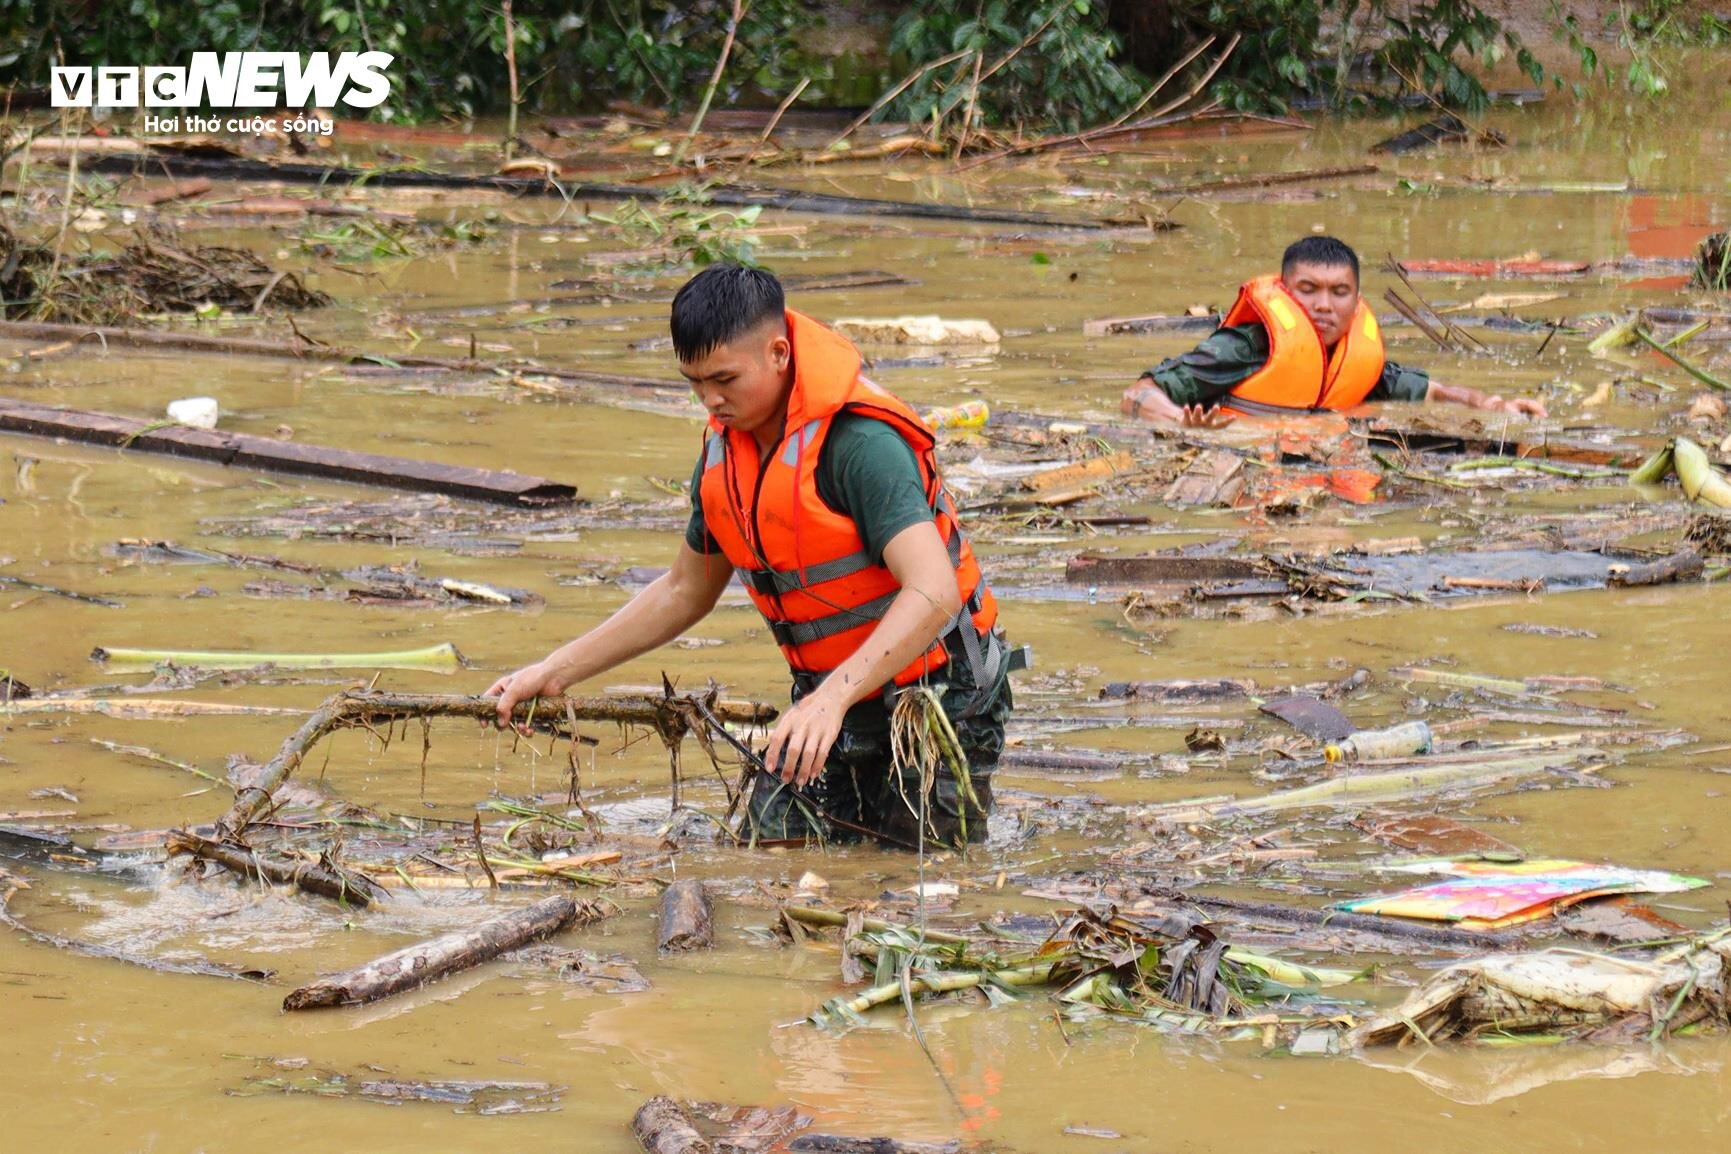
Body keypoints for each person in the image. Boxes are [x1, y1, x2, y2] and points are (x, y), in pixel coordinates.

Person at [487, 264, 1015, 849]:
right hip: (830, 694)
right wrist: (553, 671)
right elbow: (684, 591)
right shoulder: (722, 453)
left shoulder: (861, 445)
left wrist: (829, 701)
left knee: (917, 873)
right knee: (769, 851)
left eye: (724, 379)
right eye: (693, 383)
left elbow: (934, 591)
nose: (710, 400)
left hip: (939, 693)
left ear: (779, 353)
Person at [1120, 236, 1549, 428]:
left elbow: (1433, 392)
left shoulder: (1359, 362)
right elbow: (1137, 395)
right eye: (1309, 291)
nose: (1325, 305)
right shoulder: (1246, 347)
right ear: (1286, 293)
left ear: (1357, 298)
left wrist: (1495, 404)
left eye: (1339, 292)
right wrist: (1180, 423)